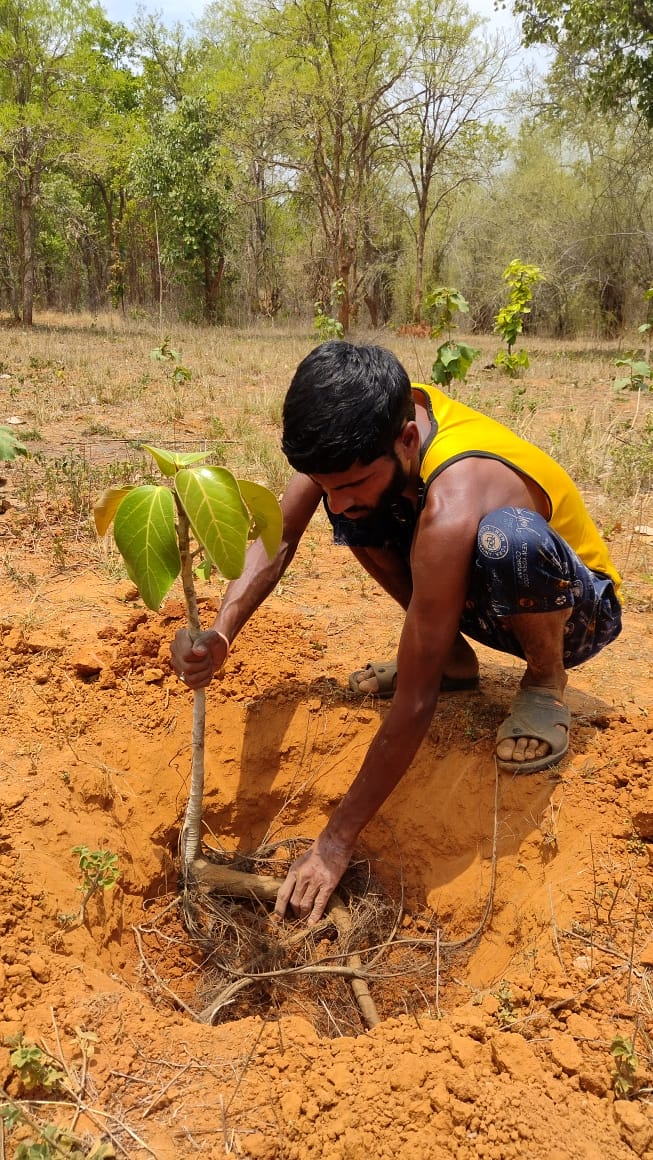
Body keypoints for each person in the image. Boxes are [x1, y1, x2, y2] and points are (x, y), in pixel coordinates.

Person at [171, 342, 622, 925]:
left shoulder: (457, 491)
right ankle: (456, 661)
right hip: (476, 588)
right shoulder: (361, 439)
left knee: (509, 539)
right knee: (364, 510)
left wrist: (333, 844)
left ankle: (543, 683)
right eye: (323, 482)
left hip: (570, 606)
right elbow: (279, 538)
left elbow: (414, 702)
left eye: (350, 479)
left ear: (407, 440)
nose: (335, 496)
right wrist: (221, 633)